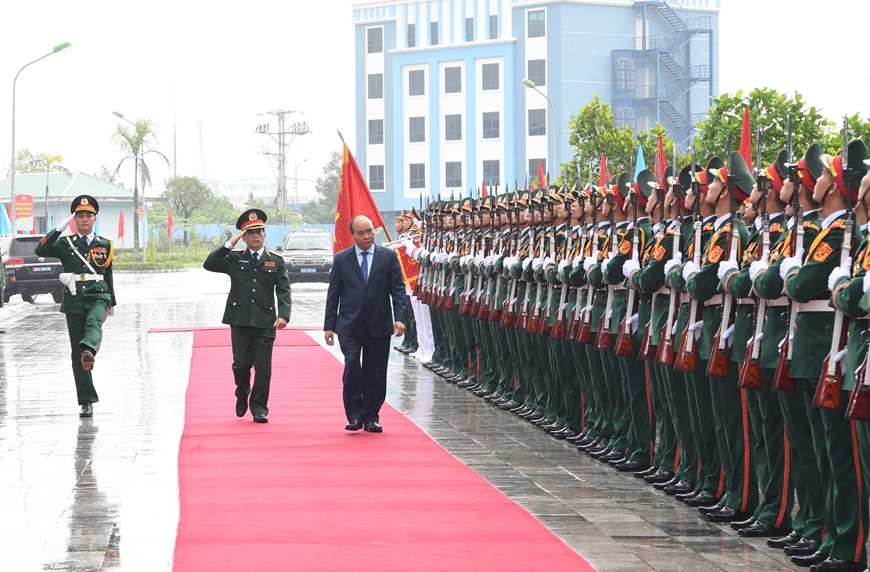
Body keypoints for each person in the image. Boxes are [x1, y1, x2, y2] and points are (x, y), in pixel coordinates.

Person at [203, 208, 292, 424]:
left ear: (264, 234)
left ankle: (259, 407)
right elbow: (210, 264)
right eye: (250, 233)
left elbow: (284, 290)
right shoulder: (234, 258)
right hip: (240, 319)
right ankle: (242, 392)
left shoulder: (276, 261)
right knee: (241, 365)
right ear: (243, 236)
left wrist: (284, 315)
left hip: (265, 321)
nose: (255, 236)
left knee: (263, 367)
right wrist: (230, 243)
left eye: (259, 232)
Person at [34, 195, 116, 417]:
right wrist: (58, 229)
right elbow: (39, 250)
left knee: (93, 323)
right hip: (74, 298)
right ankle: (86, 401)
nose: (85, 219)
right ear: (75, 220)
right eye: (80, 216)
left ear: (95, 218)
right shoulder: (64, 243)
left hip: (99, 295)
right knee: (76, 353)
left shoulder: (105, 244)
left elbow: (107, 273)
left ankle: (90, 348)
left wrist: (113, 300)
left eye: (89, 215)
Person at [324, 215, 406, 433]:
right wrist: (329, 326)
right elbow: (334, 294)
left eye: (369, 231)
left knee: (376, 372)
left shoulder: (388, 257)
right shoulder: (342, 259)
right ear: (352, 235)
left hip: (379, 324)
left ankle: (371, 416)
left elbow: (398, 290)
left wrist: (399, 318)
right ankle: (354, 415)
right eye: (360, 233)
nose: (366, 236)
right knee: (352, 366)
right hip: (349, 325)